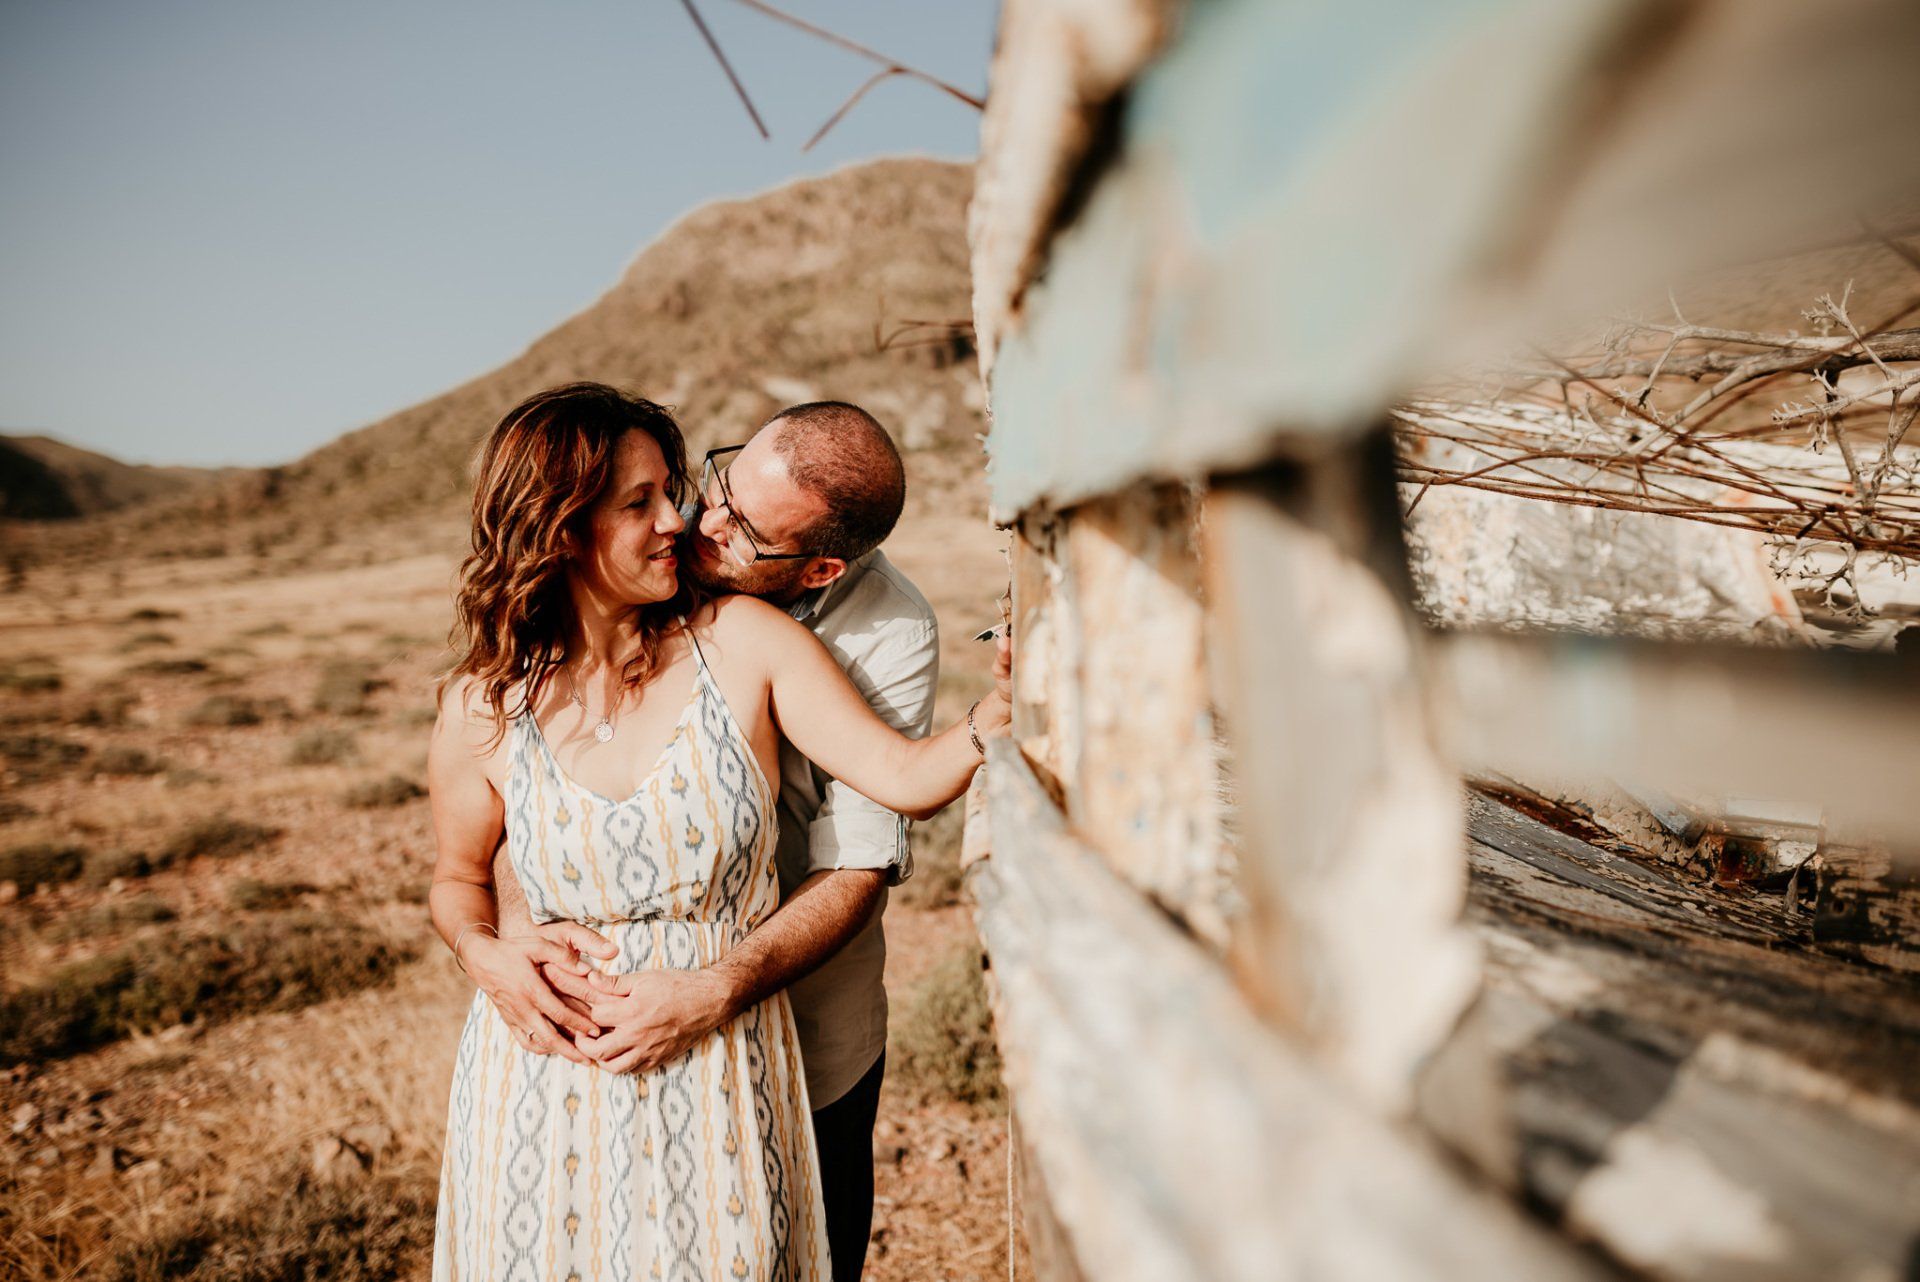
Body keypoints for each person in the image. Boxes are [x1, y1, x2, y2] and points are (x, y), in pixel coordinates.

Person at [428, 383, 1008, 1281]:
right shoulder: (486, 700)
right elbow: (463, 871)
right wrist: (491, 951)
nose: (690, 523)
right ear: (562, 530)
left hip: (748, 1044)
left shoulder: (768, 637)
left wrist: (998, 712)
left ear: (817, 570)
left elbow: (888, 802)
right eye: (675, 495)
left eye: (729, 523)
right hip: (547, 1076)